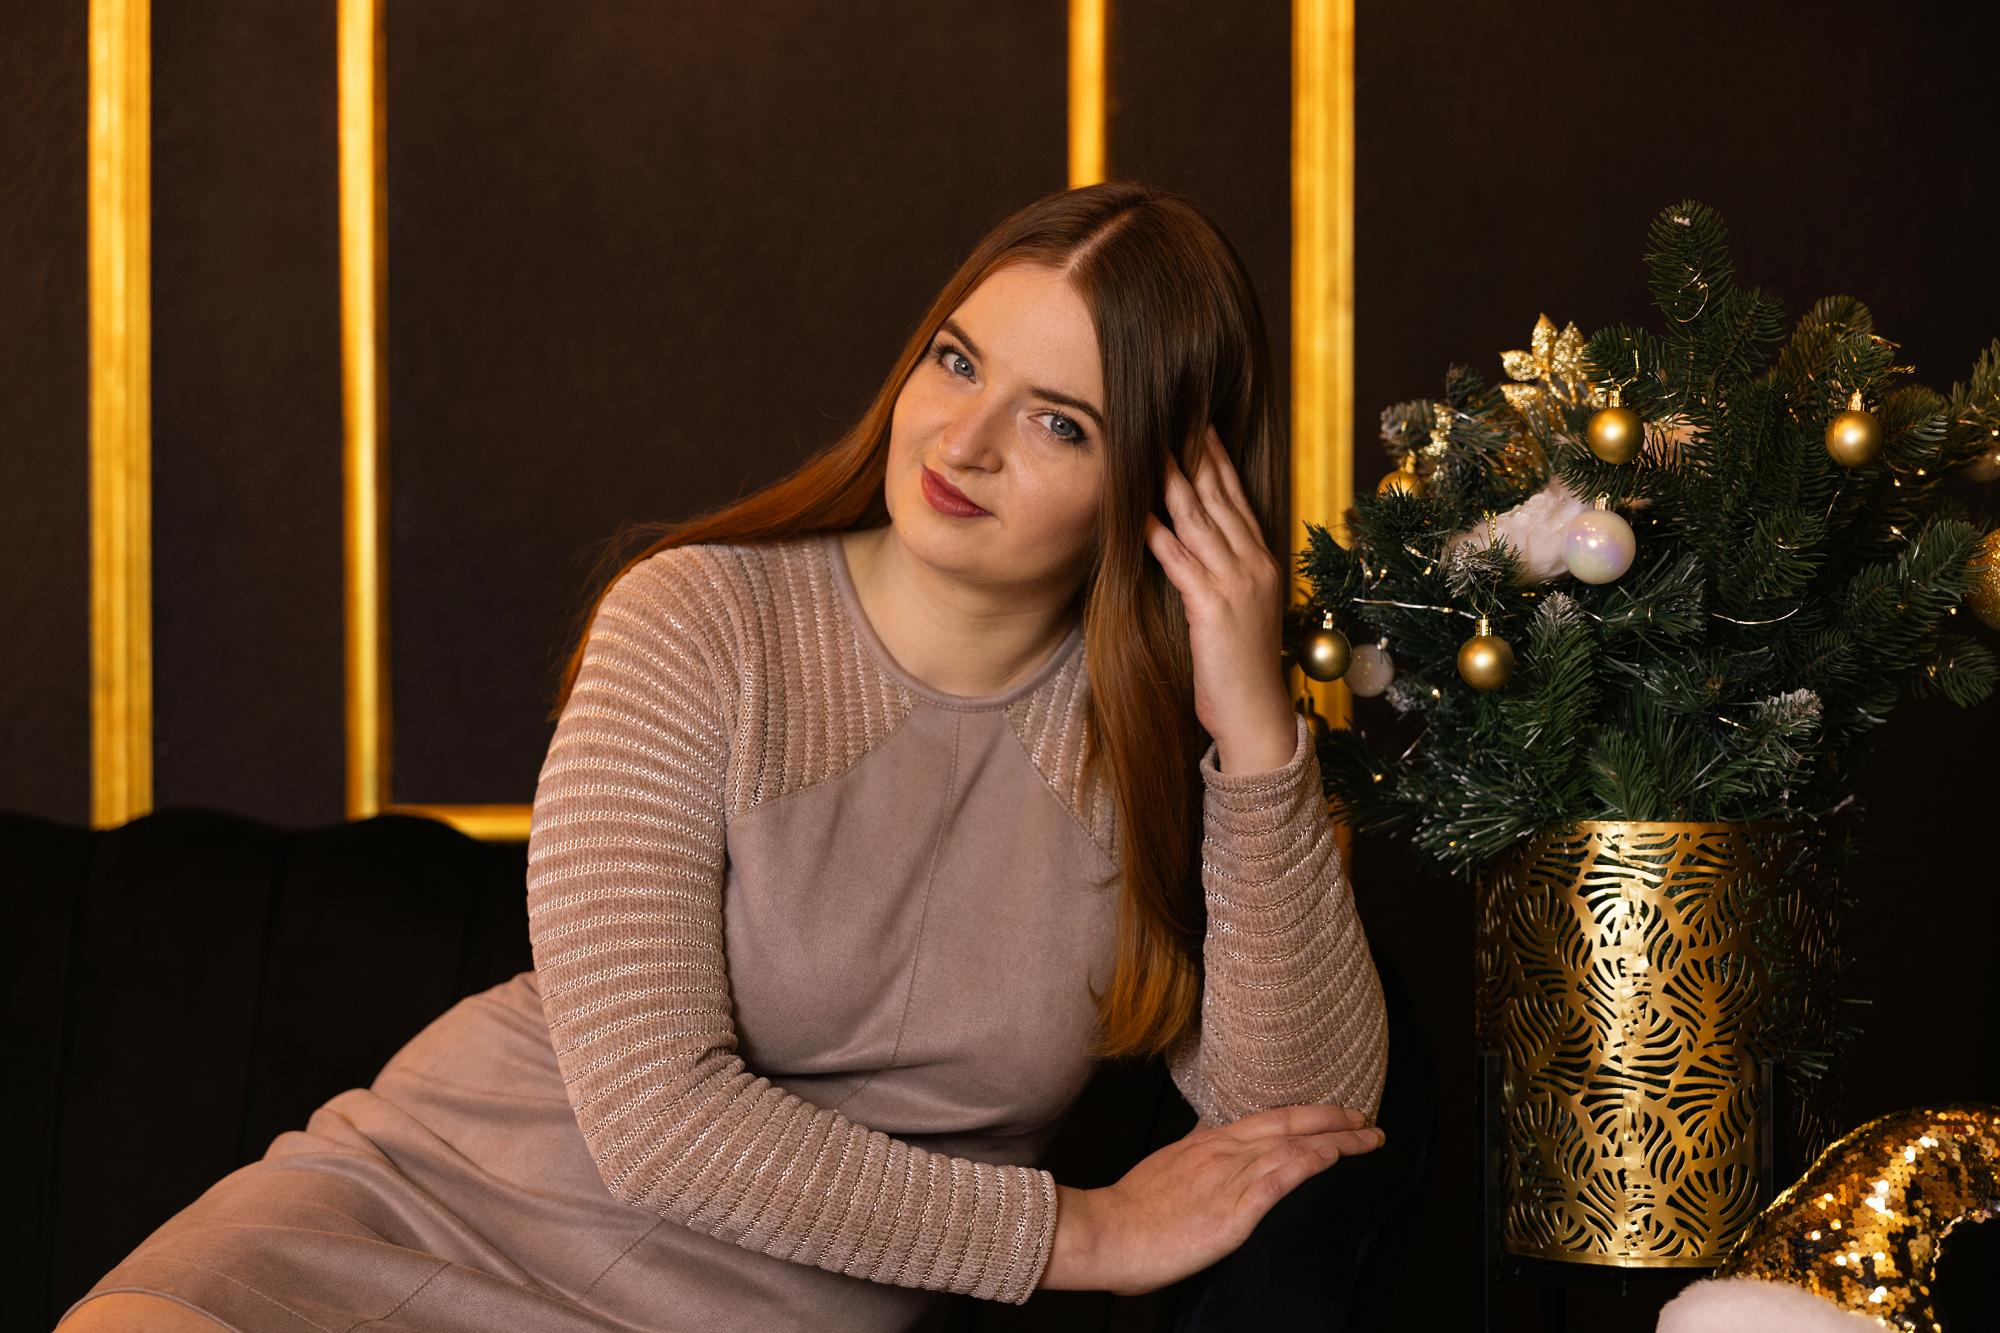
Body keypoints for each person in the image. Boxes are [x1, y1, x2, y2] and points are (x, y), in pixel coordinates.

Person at [57, 180, 1390, 1333]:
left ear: (1166, 488)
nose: (962, 441)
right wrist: (1083, 1233)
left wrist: (1253, 728)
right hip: (414, 1216)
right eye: (956, 361)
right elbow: (654, 1120)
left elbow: (1302, 1115)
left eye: (1059, 422)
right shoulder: (696, 620)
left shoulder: (1161, 747)